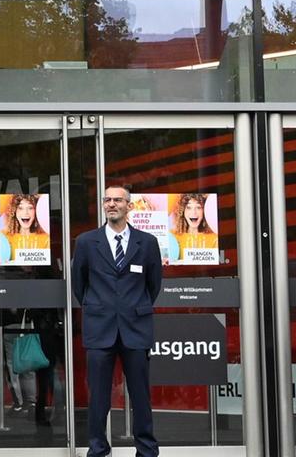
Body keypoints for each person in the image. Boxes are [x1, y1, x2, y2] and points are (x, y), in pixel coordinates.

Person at [72, 184, 162, 457]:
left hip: (136, 328)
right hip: (100, 329)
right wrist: (100, 307)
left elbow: (153, 284)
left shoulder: (146, 243)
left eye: (117, 200)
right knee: (98, 397)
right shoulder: (86, 242)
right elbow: (80, 285)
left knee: (140, 396)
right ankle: (98, 449)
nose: (111, 204)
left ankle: (146, 450)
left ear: (129, 206)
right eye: (107, 200)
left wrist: (134, 307)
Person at [170, 193, 216, 261]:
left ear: (204, 211)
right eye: (189, 207)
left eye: (198, 207)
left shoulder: (214, 238)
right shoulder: (173, 236)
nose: (193, 212)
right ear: (182, 211)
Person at [4, 194, 48, 263]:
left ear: (36, 211)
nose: (25, 213)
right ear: (14, 211)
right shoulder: (6, 238)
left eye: (30, 208)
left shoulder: (46, 239)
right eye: (20, 208)